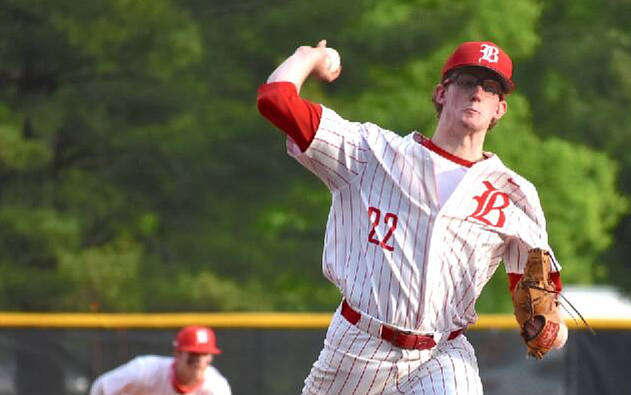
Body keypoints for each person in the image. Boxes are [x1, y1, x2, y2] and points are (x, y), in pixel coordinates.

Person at [257, 39, 568, 395]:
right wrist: (307, 57)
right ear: (440, 93)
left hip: (442, 354)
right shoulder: (372, 153)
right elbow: (275, 101)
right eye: (467, 81)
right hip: (358, 345)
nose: (477, 93)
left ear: (500, 109)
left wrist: (548, 329)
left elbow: (543, 303)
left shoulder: (514, 193)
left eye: (491, 88)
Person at [89, 325, 232, 395]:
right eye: (193, 355)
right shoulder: (145, 371)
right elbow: (102, 387)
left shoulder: (216, 387)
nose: (200, 361)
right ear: (177, 353)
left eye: (205, 354)